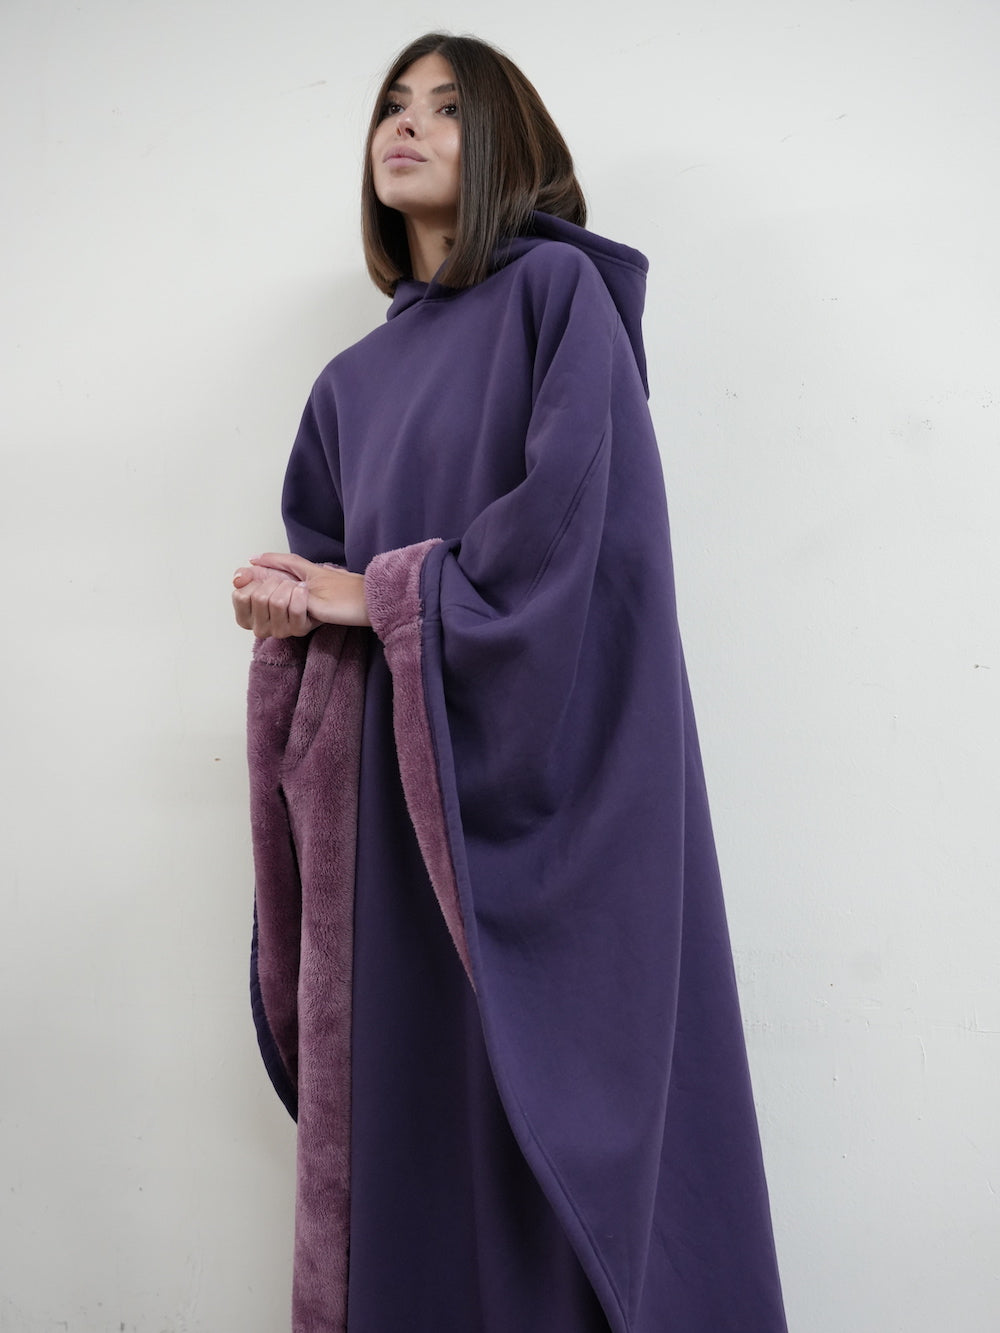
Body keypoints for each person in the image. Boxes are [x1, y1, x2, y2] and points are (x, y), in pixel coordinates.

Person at [232, 32, 787, 1333]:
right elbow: (323, 578)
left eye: (446, 107)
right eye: (391, 105)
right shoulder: (346, 386)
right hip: (393, 816)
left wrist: (377, 594)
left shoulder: (557, 297)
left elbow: (577, 540)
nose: (406, 125)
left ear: (506, 145)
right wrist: (289, 615)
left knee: (546, 1136)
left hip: (539, 803)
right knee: (416, 1131)